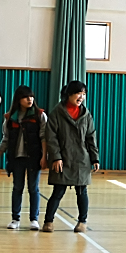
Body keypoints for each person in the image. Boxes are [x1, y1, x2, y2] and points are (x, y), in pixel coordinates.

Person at [42, 80, 99, 233]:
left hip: (81, 159)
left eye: (84, 94)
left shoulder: (86, 115)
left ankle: (82, 222)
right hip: (62, 159)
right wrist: (56, 157)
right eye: (78, 93)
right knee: (58, 192)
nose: (81, 97)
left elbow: (91, 137)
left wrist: (95, 158)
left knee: (82, 192)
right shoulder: (56, 113)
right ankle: (48, 222)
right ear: (69, 94)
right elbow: (51, 137)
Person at [0, 85, 47, 231]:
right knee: (17, 187)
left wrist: (44, 157)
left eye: (31, 96)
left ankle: (34, 219)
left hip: (34, 157)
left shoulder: (40, 115)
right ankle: (15, 218)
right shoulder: (10, 117)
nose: (30, 99)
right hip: (16, 158)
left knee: (33, 188)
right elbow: (6, 139)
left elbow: (44, 137)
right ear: (18, 99)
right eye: (26, 97)